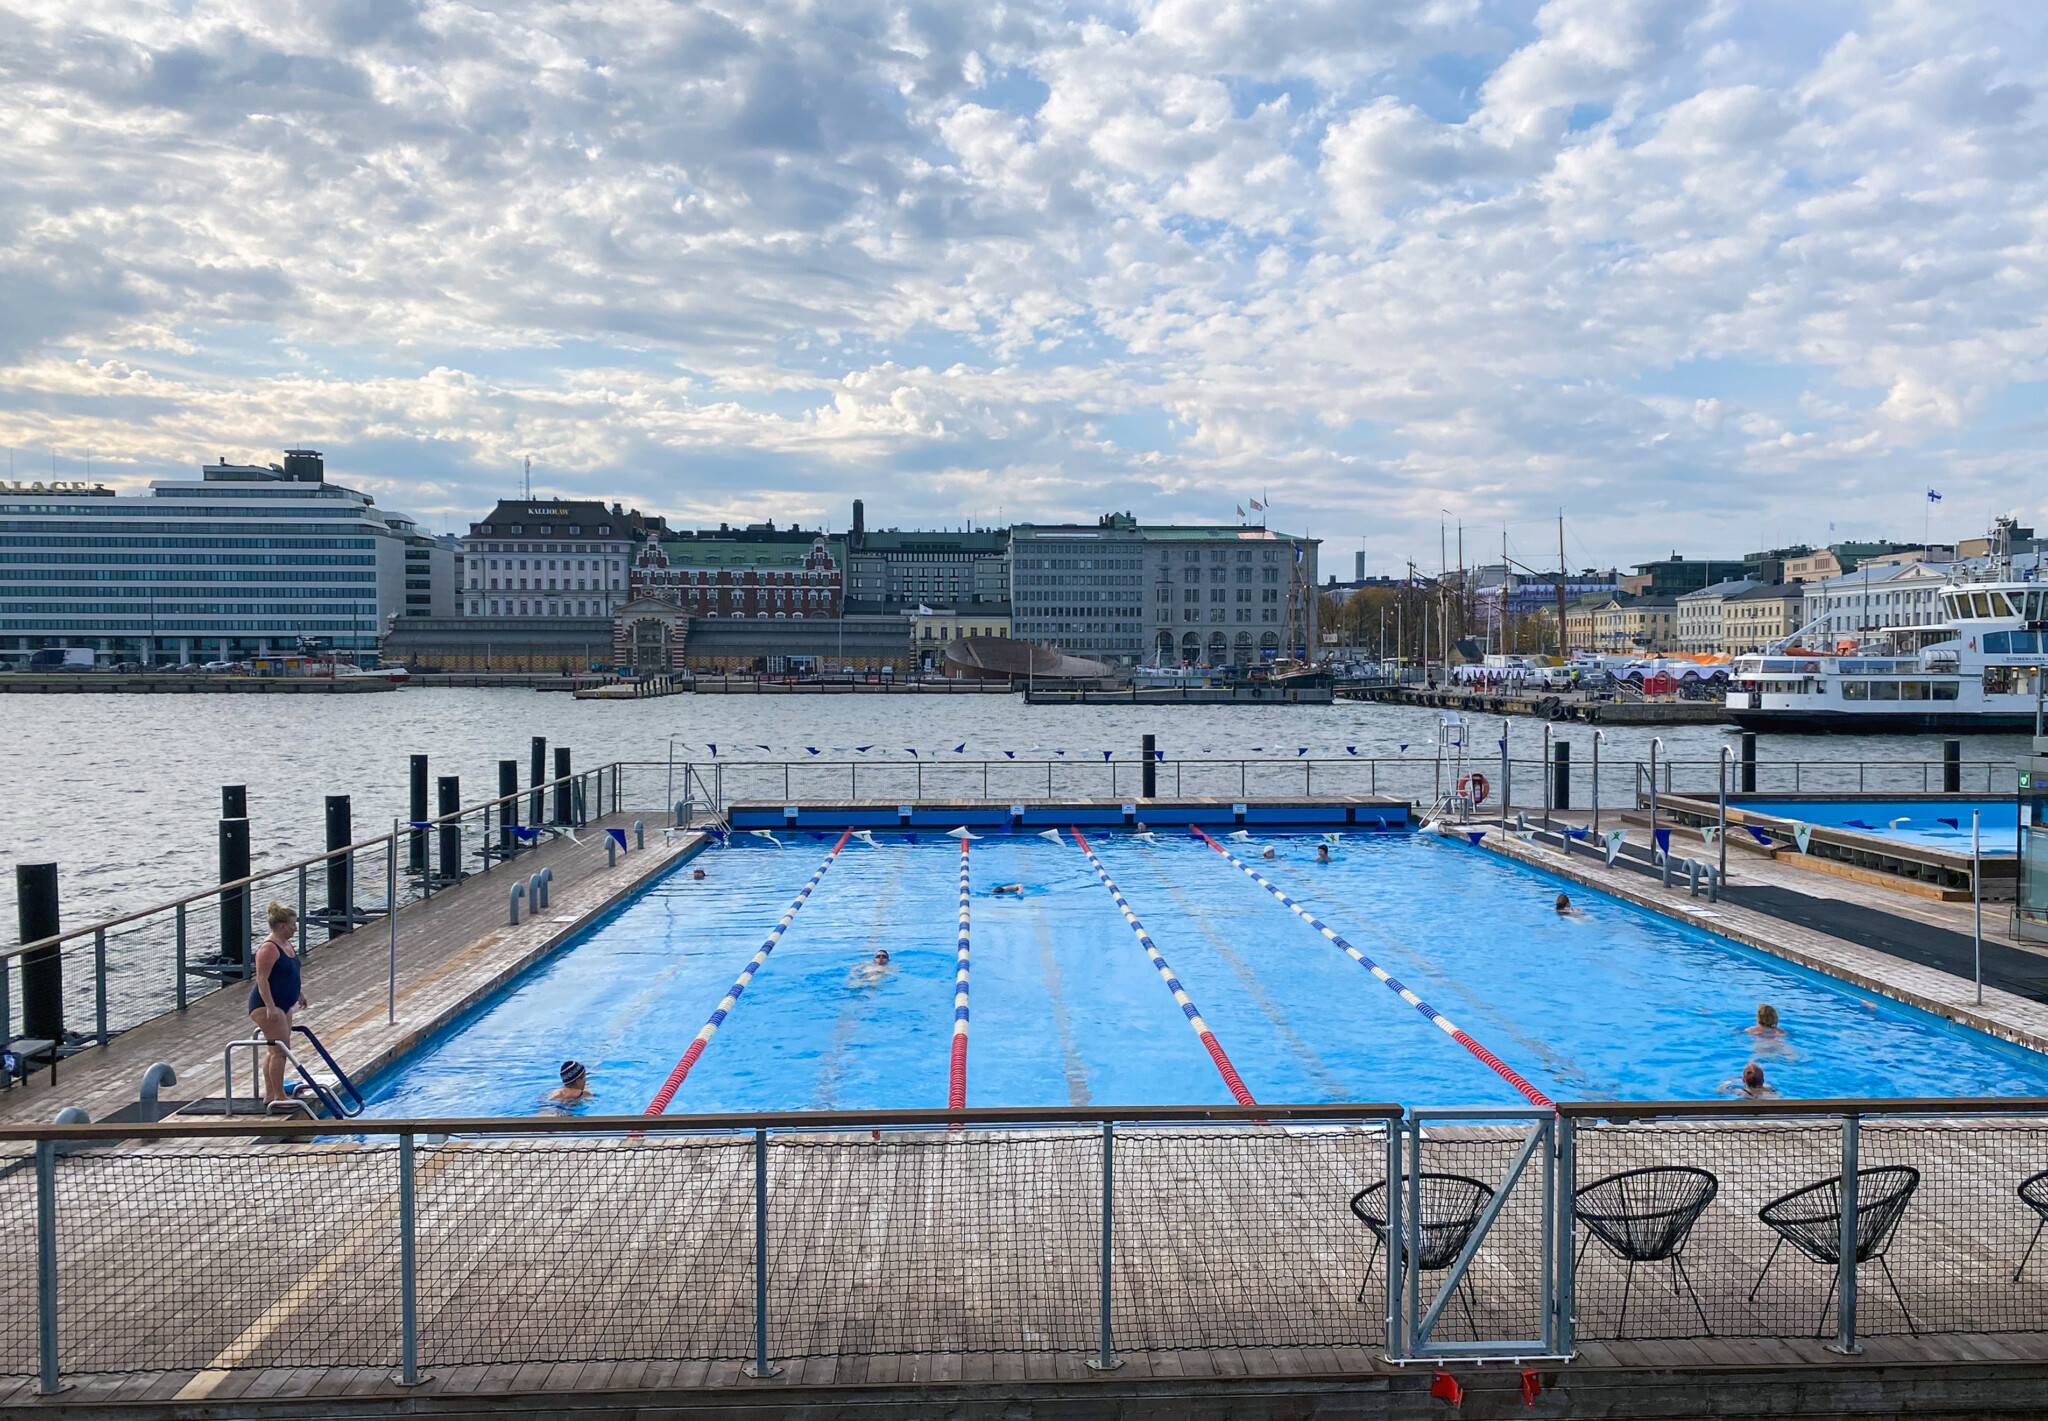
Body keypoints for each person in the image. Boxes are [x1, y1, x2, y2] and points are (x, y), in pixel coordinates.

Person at [247, 901, 307, 1109]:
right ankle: (280, 1096)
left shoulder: (287, 945)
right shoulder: (268, 948)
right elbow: (261, 980)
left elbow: (289, 973)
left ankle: (271, 1094)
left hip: (284, 1003)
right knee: (281, 1051)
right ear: (282, 926)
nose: (295, 928)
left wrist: (298, 993)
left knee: (274, 1050)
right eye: (292, 925)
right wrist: (270, 1006)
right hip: (265, 1006)